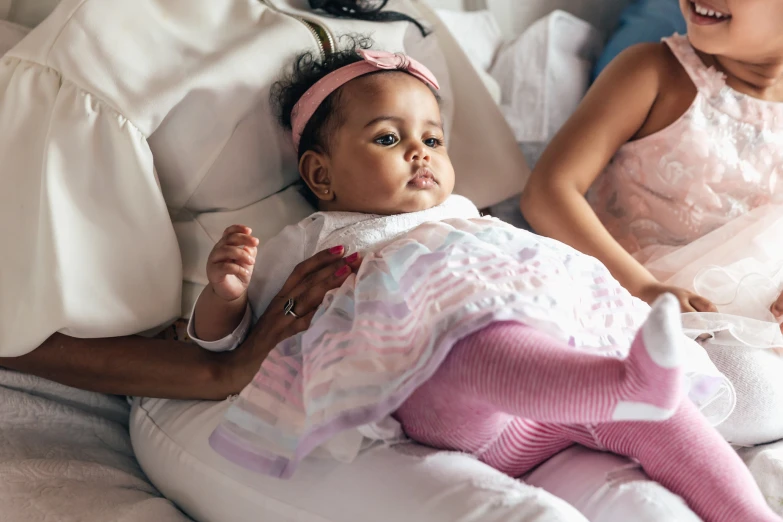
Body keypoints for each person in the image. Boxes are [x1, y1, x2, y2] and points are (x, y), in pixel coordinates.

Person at [0, 0, 716, 521]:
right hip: (237, 376)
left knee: (645, 503)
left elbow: (473, 200)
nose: (417, 151)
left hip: (424, 345)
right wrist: (223, 363)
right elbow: (20, 325)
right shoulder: (102, 39)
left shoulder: (397, 22)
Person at [188, 42, 776, 522]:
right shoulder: (313, 239)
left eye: (433, 139)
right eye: (388, 138)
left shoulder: (470, 218)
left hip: (553, 407)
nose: (419, 152)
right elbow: (230, 339)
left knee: (667, 418)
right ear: (321, 173)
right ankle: (623, 382)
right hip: (449, 403)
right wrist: (226, 295)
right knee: (473, 336)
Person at [522, 0, 783, 447]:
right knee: (752, 397)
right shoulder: (655, 71)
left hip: (756, 318)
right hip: (638, 299)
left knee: (758, 389)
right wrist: (644, 289)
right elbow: (549, 191)